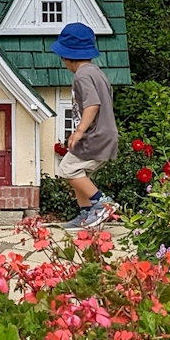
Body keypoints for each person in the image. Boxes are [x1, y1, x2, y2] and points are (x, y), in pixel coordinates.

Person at [51, 22, 119, 230]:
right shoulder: (96, 72)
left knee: (67, 169)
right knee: (80, 172)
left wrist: (79, 131)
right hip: (103, 133)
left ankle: (101, 204)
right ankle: (85, 213)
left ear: (67, 56)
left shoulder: (82, 75)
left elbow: (92, 104)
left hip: (94, 135)